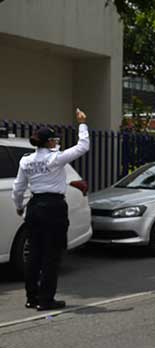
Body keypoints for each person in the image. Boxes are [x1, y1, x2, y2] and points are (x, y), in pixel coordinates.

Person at [12, 108, 90, 311]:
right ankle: (46, 300)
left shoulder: (26, 161)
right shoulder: (55, 159)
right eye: (54, 139)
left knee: (34, 254)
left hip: (35, 207)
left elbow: (18, 188)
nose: (56, 142)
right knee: (51, 255)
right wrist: (82, 123)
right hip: (54, 208)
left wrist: (20, 206)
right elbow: (83, 146)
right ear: (48, 142)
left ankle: (32, 298)